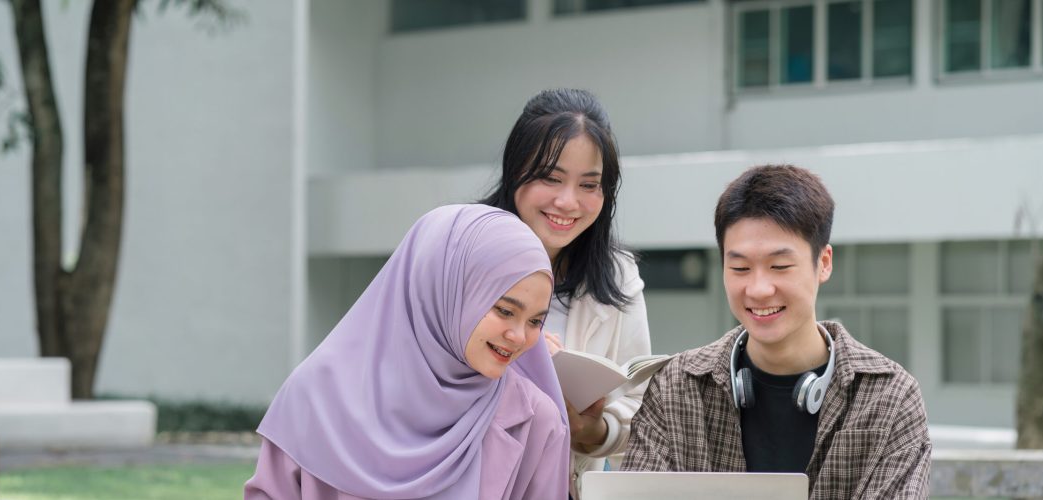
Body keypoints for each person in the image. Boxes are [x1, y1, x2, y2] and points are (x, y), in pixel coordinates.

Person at [622, 165, 931, 499]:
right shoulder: (675, 389)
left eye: (779, 266)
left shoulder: (890, 400)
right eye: (740, 268)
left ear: (823, 263)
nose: (758, 289)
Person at [245, 204, 570, 499]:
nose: (518, 336)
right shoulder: (316, 395)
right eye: (504, 310)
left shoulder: (536, 423)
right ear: (444, 291)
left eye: (535, 321)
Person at [480, 88, 651, 494]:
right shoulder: (463, 251)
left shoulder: (617, 274)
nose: (568, 202)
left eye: (589, 185)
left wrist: (594, 431)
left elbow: (640, 411)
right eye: (551, 178)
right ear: (515, 169)